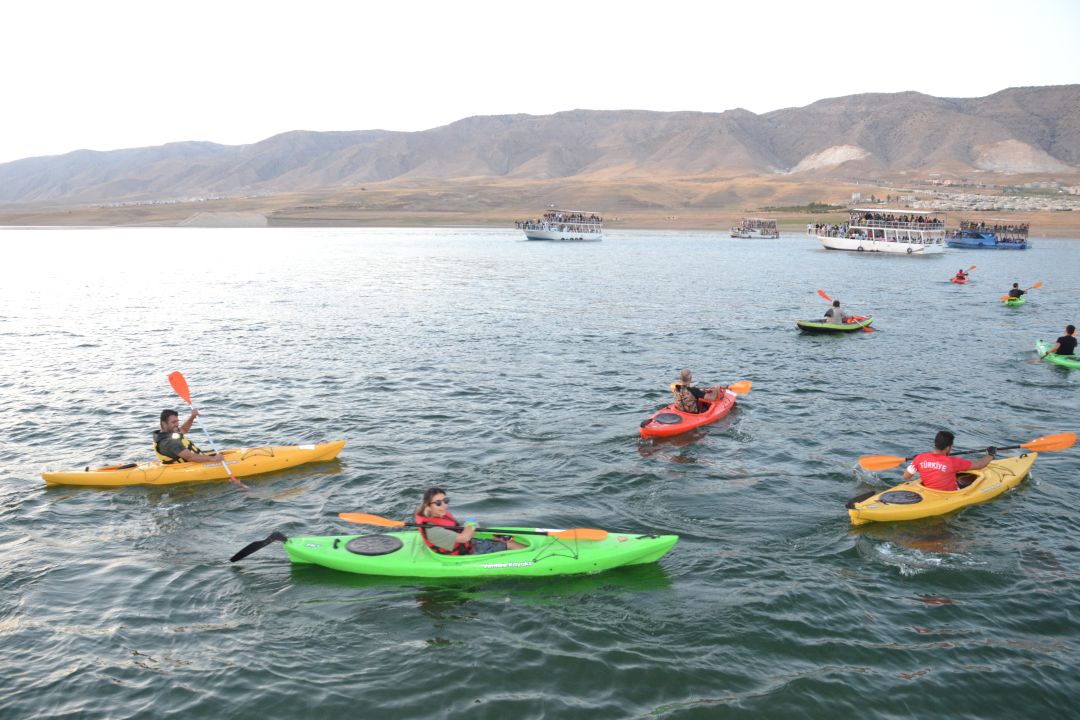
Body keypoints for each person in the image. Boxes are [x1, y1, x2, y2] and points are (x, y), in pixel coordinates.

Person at [414, 487, 526, 555]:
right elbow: (464, 538)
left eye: (446, 501)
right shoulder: (432, 530)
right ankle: (532, 557)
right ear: (428, 506)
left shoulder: (439, 515)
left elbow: (460, 534)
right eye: (438, 503)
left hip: (464, 545)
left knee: (502, 539)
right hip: (464, 553)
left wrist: (470, 527)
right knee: (510, 544)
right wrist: (471, 524)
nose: (444, 506)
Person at [902, 430, 996, 491]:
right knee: (972, 479)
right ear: (948, 448)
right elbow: (980, 465)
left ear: (935, 443)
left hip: (929, 491)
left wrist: (914, 462)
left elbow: (906, 476)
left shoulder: (920, 458)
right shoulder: (953, 462)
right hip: (950, 494)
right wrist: (991, 454)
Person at [153, 409, 225, 464]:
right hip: (187, 465)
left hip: (192, 458)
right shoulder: (169, 442)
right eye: (174, 422)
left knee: (223, 453)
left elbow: (184, 429)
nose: (177, 424)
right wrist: (214, 459)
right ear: (163, 423)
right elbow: (190, 457)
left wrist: (192, 417)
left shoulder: (166, 433)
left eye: (177, 421)